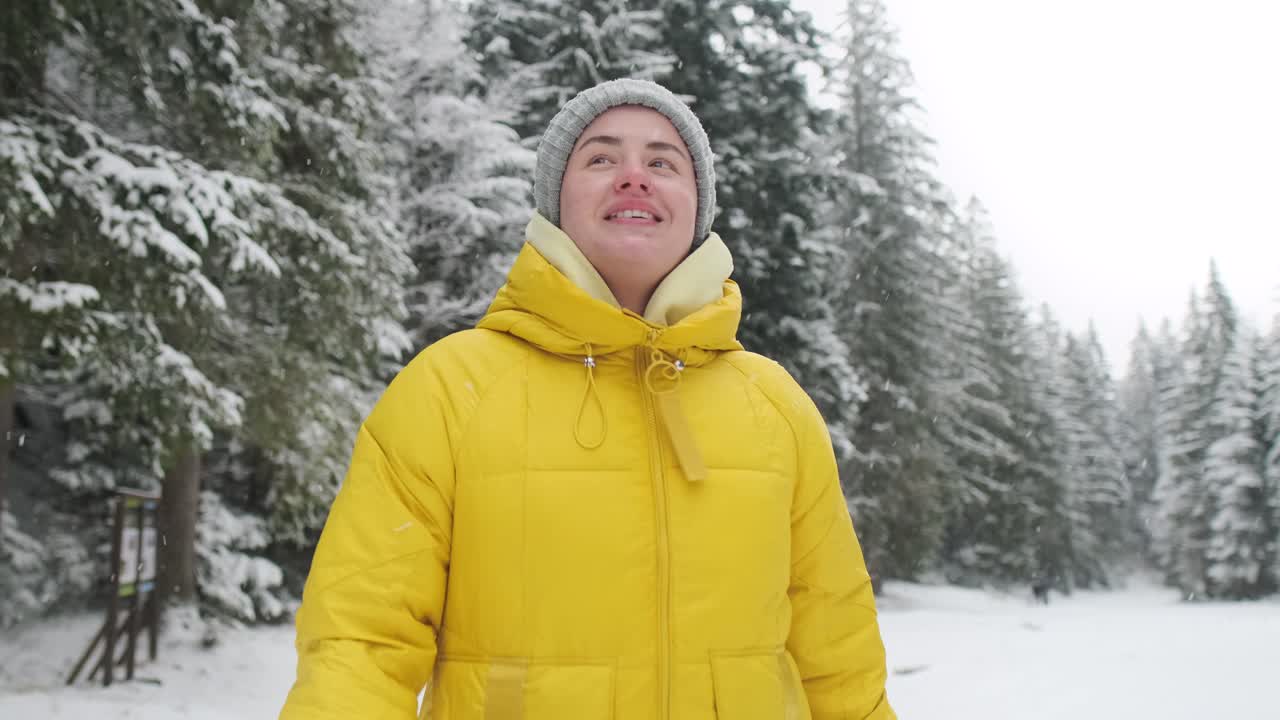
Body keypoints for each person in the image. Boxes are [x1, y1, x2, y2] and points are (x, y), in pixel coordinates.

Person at [279, 78, 895, 720]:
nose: (635, 177)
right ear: (556, 203)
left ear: (697, 207)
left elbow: (839, 650)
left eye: (663, 162)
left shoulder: (776, 406)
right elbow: (360, 642)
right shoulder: (449, 388)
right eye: (601, 158)